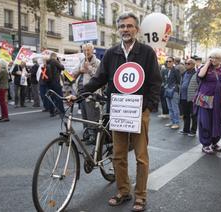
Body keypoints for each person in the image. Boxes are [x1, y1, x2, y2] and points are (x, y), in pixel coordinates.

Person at [66, 12, 161, 211]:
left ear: (137, 29)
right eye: (122, 26)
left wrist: (148, 107)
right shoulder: (111, 53)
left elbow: (155, 82)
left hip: (139, 109)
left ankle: (141, 195)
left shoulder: (147, 52)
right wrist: (79, 94)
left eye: (129, 26)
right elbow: (98, 79)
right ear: (118, 30)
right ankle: (123, 191)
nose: (125, 29)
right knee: (118, 155)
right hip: (118, 110)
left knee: (141, 156)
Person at [196, 49, 221, 154]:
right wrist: (207, 63)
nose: (213, 59)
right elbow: (200, 75)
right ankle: (206, 144)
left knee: (217, 121)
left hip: (219, 100)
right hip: (205, 97)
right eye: (212, 57)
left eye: (216, 57)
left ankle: (214, 142)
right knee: (205, 121)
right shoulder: (205, 68)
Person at [73, 43, 101, 145]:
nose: (86, 52)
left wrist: (89, 68)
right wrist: (80, 70)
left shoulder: (97, 62)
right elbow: (73, 74)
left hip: (91, 94)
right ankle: (87, 134)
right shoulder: (81, 61)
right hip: (81, 94)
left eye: (88, 50)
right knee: (84, 116)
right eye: (84, 50)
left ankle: (94, 137)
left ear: (92, 50)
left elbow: (99, 77)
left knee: (92, 117)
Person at [179, 58, 198, 136]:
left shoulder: (196, 74)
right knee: (185, 114)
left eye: (188, 63)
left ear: (193, 65)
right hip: (183, 97)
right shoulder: (184, 73)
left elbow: (199, 85)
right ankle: (185, 129)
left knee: (193, 115)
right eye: (185, 63)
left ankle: (193, 131)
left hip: (192, 97)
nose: (186, 65)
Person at [46, 52, 65, 117]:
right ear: (55, 56)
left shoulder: (47, 62)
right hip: (55, 82)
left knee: (51, 97)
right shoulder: (54, 61)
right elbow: (62, 67)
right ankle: (62, 112)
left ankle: (52, 112)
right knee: (59, 97)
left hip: (49, 82)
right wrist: (59, 61)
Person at [164, 56, 181, 129]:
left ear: (173, 62)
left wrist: (174, 88)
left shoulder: (176, 70)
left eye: (170, 61)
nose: (168, 63)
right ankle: (172, 121)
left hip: (174, 92)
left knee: (175, 108)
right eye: (167, 61)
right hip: (167, 91)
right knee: (170, 108)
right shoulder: (167, 70)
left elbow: (179, 81)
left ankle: (176, 123)